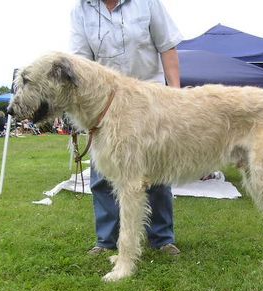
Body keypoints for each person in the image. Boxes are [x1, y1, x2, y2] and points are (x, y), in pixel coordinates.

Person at [70, 0, 183, 255]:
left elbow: (167, 46)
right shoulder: (81, 10)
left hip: (150, 101)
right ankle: (106, 240)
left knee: (157, 170)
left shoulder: (148, 3)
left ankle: (162, 238)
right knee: (103, 173)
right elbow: (80, 63)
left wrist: (176, 94)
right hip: (105, 103)